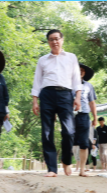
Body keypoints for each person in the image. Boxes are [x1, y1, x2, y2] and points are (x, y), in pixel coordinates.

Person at [31, 29, 82, 177]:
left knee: (69, 131)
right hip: (46, 95)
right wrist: (35, 101)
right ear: (48, 42)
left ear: (62, 40)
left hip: (66, 95)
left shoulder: (71, 58)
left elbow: (76, 80)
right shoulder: (42, 60)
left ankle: (66, 161)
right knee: (47, 133)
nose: (54, 42)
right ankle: (52, 168)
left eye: (57, 38)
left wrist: (77, 97)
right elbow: (37, 82)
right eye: (51, 39)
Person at [73, 63, 98, 177]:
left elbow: (92, 103)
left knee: (84, 142)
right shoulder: (68, 84)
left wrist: (95, 117)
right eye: (79, 70)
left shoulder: (89, 86)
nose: (81, 71)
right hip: (70, 115)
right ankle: (67, 166)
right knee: (68, 139)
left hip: (84, 115)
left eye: (83, 70)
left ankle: (82, 170)